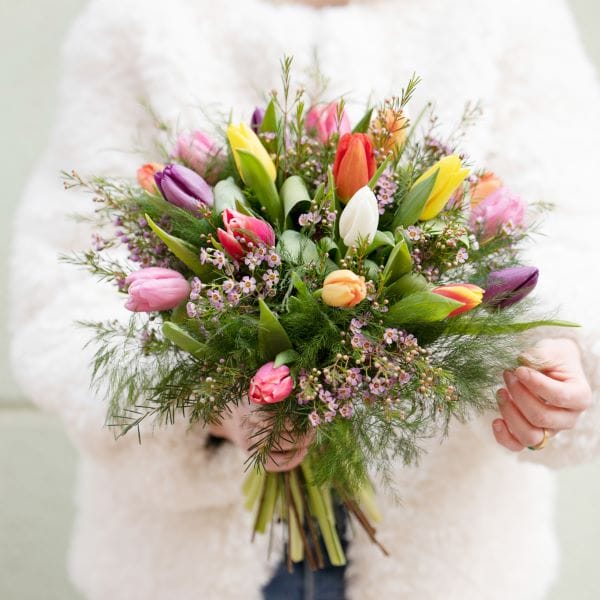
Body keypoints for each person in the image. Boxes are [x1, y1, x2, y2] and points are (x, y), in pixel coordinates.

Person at [9, 0, 600, 598]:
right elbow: (67, 279)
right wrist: (207, 406)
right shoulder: (140, 21)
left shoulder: (509, 16)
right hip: (183, 561)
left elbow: (568, 229)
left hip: (450, 552)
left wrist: (552, 348)